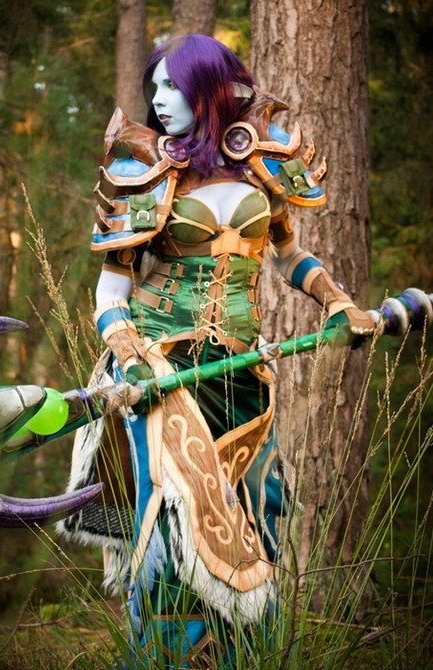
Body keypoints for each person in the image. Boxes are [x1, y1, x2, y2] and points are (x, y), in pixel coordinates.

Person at [58, 34, 374, 668]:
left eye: (173, 86)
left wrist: (338, 301)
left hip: (243, 377)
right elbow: (110, 292)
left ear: (211, 88)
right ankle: (162, 659)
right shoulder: (143, 171)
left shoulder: (263, 162)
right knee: (170, 529)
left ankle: (244, 657)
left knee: (260, 512)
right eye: (154, 87)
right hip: (161, 374)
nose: (158, 99)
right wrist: (131, 357)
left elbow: (286, 255)